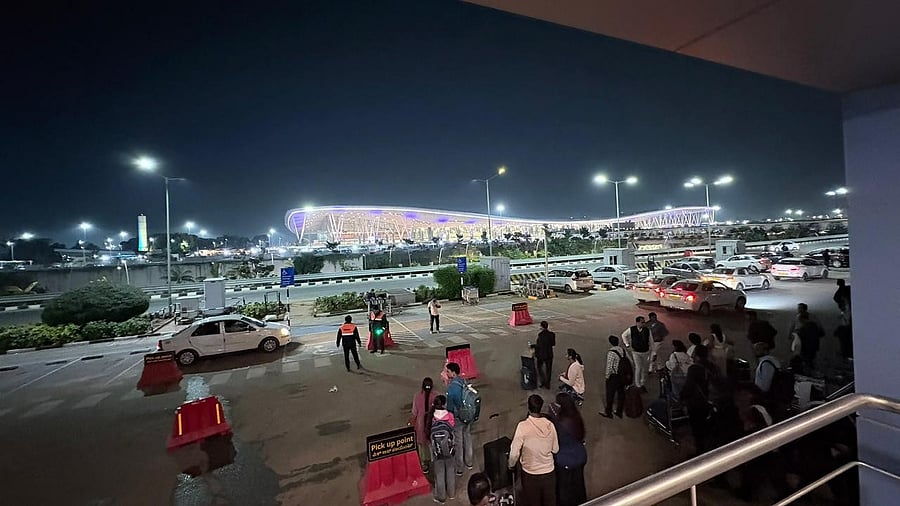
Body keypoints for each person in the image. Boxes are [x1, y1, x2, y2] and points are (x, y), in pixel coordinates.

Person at [508, 395, 559, 506]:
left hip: (530, 474)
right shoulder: (550, 425)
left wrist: (511, 465)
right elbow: (555, 449)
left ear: (529, 407)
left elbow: (514, 453)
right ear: (540, 407)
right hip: (549, 474)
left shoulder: (523, 427)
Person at [548, 393, 587, 506]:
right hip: (580, 456)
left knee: (564, 490)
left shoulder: (560, 424)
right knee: (579, 485)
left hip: (565, 460)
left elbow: (554, 445)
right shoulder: (576, 416)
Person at [445, 362, 474, 474]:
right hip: (468, 415)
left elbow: (450, 407)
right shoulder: (464, 381)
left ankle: (460, 468)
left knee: (458, 442)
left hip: (458, 418)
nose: (446, 374)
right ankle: (470, 462)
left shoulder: (452, 388)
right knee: (467, 436)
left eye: (448, 371)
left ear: (453, 373)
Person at [431, 395, 457, 504]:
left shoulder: (432, 418)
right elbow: (452, 428)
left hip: (437, 450)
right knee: (450, 469)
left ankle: (441, 497)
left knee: (440, 472)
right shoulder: (450, 416)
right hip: (449, 449)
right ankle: (452, 493)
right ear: (444, 404)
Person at [622, 316, 652, 391]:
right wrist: (627, 345)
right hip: (636, 352)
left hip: (645, 351)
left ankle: (642, 382)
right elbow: (624, 335)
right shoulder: (632, 329)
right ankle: (638, 384)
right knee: (638, 367)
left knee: (644, 368)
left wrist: (653, 351)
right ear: (637, 323)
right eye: (642, 322)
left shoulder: (647, 330)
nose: (643, 324)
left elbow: (651, 341)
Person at [411, 377, 434, 473]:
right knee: (431, 444)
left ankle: (424, 465)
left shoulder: (417, 396)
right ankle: (434, 461)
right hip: (432, 423)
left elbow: (414, 412)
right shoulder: (435, 396)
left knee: (422, 446)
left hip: (420, 425)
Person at [601, 335, 627, 419]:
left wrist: (607, 376)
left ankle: (608, 412)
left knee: (610, 394)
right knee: (621, 393)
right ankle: (619, 411)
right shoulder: (622, 350)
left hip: (614, 376)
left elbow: (609, 366)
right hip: (622, 375)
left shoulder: (611, 352)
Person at [535, 321, 556, 389]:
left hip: (541, 354)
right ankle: (548, 384)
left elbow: (539, 345)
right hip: (549, 354)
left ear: (541, 327)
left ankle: (543, 381)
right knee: (548, 370)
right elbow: (553, 344)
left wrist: (533, 347)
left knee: (539, 368)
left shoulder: (540, 335)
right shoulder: (552, 334)